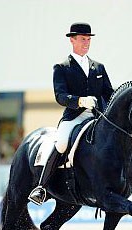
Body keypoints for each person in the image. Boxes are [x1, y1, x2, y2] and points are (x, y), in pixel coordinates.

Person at [28, 22, 114, 205]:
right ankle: (41, 187)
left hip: (97, 116)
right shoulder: (62, 67)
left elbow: (109, 93)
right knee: (61, 143)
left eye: (88, 39)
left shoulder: (98, 67)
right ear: (72, 40)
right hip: (74, 116)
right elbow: (60, 95)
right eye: (83, 39)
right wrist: (80, 101)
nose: (86, 42)